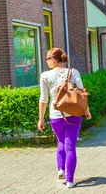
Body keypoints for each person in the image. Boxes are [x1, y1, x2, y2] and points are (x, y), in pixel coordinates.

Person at [38, 48, 92, 188]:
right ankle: (70, 180)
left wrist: (41, 119)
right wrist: (86, 110)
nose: (47, 61)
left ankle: (61, 169)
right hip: (73, 115)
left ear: (54, 59)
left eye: (47, 58)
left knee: (61, 141)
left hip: (55, 115)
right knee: (71, 147)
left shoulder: (45, 75)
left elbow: (43, 99)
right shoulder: (73, 72)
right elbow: (82, 92)